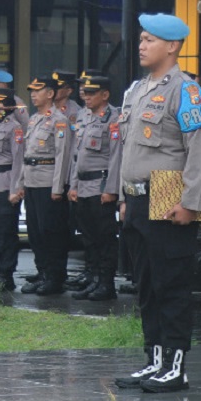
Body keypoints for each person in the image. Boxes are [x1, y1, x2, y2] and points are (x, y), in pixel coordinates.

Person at [112, 13, 201, 394]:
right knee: (146, 286)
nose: (141, 46)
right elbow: (128, 149)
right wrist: (123, 197)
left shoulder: (186, 91)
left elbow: (199, 149)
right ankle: (154, 359)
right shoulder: (137, 90)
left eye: (149, 40)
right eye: (141, 39)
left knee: (171, 285)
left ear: (172, 46)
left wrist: (192, 202)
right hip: (137, 198)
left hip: (170, 197)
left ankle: (175, 366)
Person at [15, 76, 73, 296]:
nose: (33, 95)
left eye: (38, 90)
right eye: (31, 91)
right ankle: (43, 273)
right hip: (32, 181)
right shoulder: (33, 119)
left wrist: (58, 188)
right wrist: (21, 183)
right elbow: (27, 154)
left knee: (51, 232)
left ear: (50, 94)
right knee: (35, 232)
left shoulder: (59, 120)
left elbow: (62, 156)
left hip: (48, 182)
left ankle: (55, 277)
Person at [67, 73, 122, 301]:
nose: (86, 96)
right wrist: (74, 184)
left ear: (105, 94)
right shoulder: (84, 116)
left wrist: (111, 189)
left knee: (104, 238)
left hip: (100, 185)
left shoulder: (114, 118)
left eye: (91, 93)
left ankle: (106, 283)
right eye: (85, 93)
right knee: (88, 237)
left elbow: (116, 157)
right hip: (83, 185)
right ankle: (94, 279)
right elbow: (77, 155)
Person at [0, 88, 25, 292]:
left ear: (7, 106)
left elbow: (19, 160)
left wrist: (16, 189)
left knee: (5, 232)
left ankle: (5, 274)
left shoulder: (14, 128)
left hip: (6, 183)